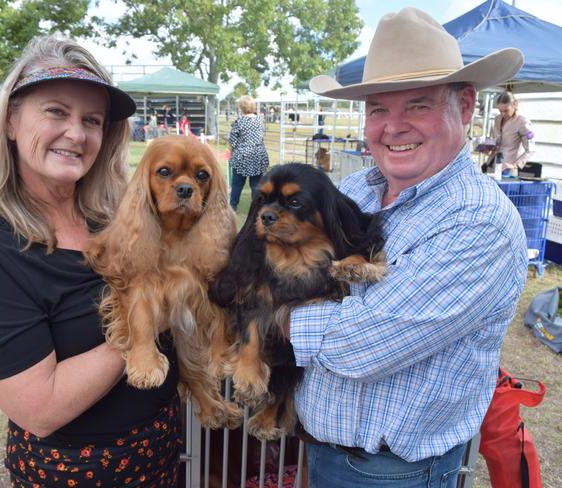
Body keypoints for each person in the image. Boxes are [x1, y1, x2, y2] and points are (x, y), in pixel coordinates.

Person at [301, 8, 528, 487]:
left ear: (465, 106)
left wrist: (265, 315)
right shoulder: (357, 190)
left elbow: (356, 346)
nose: (393, 127)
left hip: (394, 473)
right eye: (378, 109)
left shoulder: (480, 221)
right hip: (319, 452)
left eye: (418, 106)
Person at [0, 36, 183, 487]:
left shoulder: (115, 219)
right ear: (12, 121)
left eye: (91, 120)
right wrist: (148, 317)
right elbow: (41, 408)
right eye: (56, 111)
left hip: (161, 452)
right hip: (77, 474)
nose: (76, 133)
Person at [227, 95, 269, 210]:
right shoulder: (259, 121)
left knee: (237, 184)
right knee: (256, 185)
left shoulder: (239, 122)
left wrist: (229, 151)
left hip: (242, 155)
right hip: (258, 154)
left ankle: (233, 206)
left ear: (241, 107)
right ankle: (256, 208)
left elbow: (232, 141)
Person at [490, 91, 535, 178]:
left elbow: (531, 149)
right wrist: (489, 148)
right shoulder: (497, 119)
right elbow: (496, 142)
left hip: (508, 170)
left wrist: (515, 165)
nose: (503, 114)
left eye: (506, 111)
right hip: (493, 166)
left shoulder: (522, 122)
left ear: (515, 104)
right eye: (500, 111)